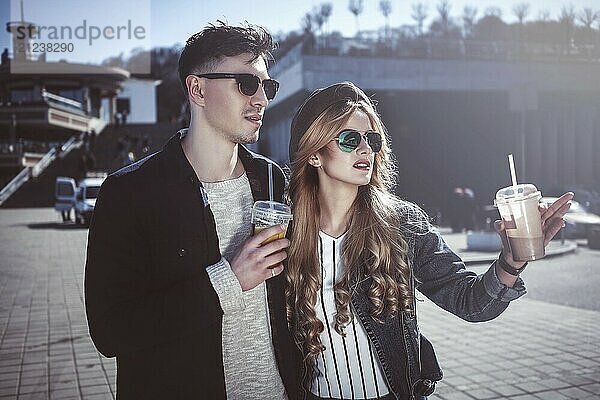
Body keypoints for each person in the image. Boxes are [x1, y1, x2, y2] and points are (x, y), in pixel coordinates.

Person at [285, 82, 573, 400]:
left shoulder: (402, 224)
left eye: (372, 139)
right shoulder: (286, 235)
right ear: (314, 155)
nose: (365, 149)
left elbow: (473, 303)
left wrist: (513, 260)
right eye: (350, 139)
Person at [85, 22, 298, 399]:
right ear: (197, 89)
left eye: (268, 86)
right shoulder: (130, 193)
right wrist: (227, 281)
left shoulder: (270, 178)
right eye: (246, 84)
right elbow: (111, 330)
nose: (262, 99)